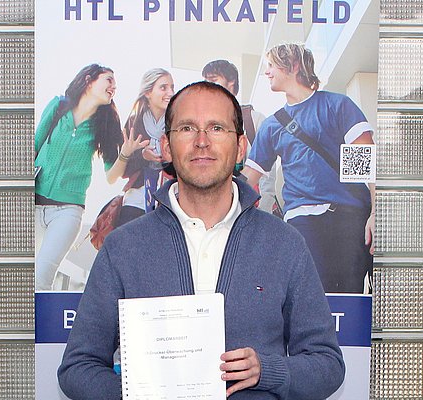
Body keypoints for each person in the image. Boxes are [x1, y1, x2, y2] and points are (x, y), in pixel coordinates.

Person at [58, 82, 344, 399]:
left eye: (217, 128)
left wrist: (267, 370)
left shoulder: (284, 243)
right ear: (166, 146)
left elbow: (327, 365)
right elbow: (78, 368)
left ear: (241, 147)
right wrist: (135, 394)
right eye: (187, 128)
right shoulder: (123, 247)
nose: (202, 141)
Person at [241, 43, 376, 294]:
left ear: (293, 66)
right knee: (311, 297)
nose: (267, 72)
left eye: (271, 65)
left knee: (349, 297)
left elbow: (365, 165)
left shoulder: (337, 105)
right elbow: (248, 179)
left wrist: (376, 214)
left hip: (347, 216)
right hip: (301, 219)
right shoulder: (272, 125)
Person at [34, 64, 124, 290]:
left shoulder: (104, 125)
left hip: (67, 211)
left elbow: (112, 175)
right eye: (109, 80)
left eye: (115, 84)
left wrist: (127, 153)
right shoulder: (58, 107)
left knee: (41, 277)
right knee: (15, 272)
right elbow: (35, 145)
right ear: (88, 80)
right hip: (33, 203)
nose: (114, 87)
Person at [202, 60, 281, 216]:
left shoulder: (253, 120)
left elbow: (268, 172)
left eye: (213, 80)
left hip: (253, 210)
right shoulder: (205, 127)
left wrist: (263, 210)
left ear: (231, 82)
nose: (207, 87)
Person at [104, 68, 174, 228]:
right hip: (137, 197)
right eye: (163, 87)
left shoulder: (178, 123)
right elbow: (124, 171)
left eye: (172, 87)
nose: (170, 92)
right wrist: (143, 156)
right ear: (148, 92)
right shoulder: (135, 122)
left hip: (169, 199)